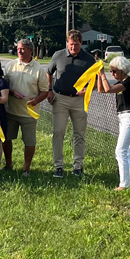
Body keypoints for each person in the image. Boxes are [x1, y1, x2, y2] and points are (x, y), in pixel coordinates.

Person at [47, 29, 95, 178]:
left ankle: (78, 167)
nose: (73, 47)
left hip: (79, 101)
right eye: (71, 44)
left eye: (76, 44)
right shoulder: (58, 55)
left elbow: (95, 79)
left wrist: (87, 89)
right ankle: (58, 166)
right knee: (58, 132)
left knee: (79, 134)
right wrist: (49, 90)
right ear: (67, 43)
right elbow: (49, 72)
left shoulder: (88, 59)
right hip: (60, 98)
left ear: (81, 43)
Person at [2, 40, 48, 176]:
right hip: (10, 110)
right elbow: (3, 85)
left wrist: (36, 100)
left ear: (30, 50)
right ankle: (8, 164)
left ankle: (26, 168)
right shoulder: (10, 66)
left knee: (29, 141)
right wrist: (11, 91)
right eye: (18, 49)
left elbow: (45, 91)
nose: (20, 51)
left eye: (23, 49)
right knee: (6, 139)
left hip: (29, 113)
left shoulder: (39, 69)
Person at [97, 56, 130, 190]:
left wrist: (103, 74)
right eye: (111, 71)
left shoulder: (129, 82)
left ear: (122, 70)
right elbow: (102, 90)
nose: (112, 74)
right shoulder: (121, 82)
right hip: (123, 118)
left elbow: (109, 89)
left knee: (120, 150)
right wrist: (99, 75)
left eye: (114, 71)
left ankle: (124, 184)